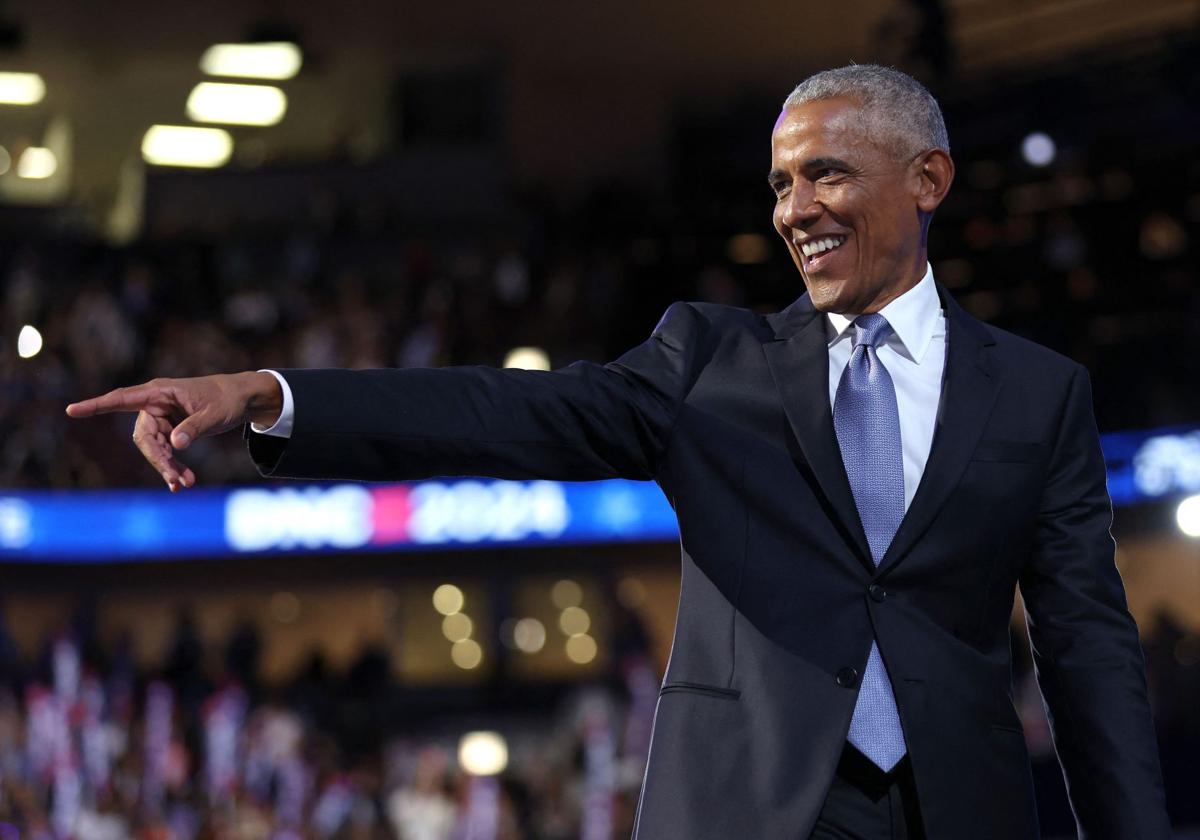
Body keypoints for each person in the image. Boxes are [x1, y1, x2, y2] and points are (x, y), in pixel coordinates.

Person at [67, 65, 1169, 839]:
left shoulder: (1037, 393)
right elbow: (505, 417)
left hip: (960, 808)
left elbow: (1086, 651)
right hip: (749, 809)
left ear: (927, 181)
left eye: (827, 174)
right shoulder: (710, 362)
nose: (796, 209)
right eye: (782, 184)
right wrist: (270, 391)